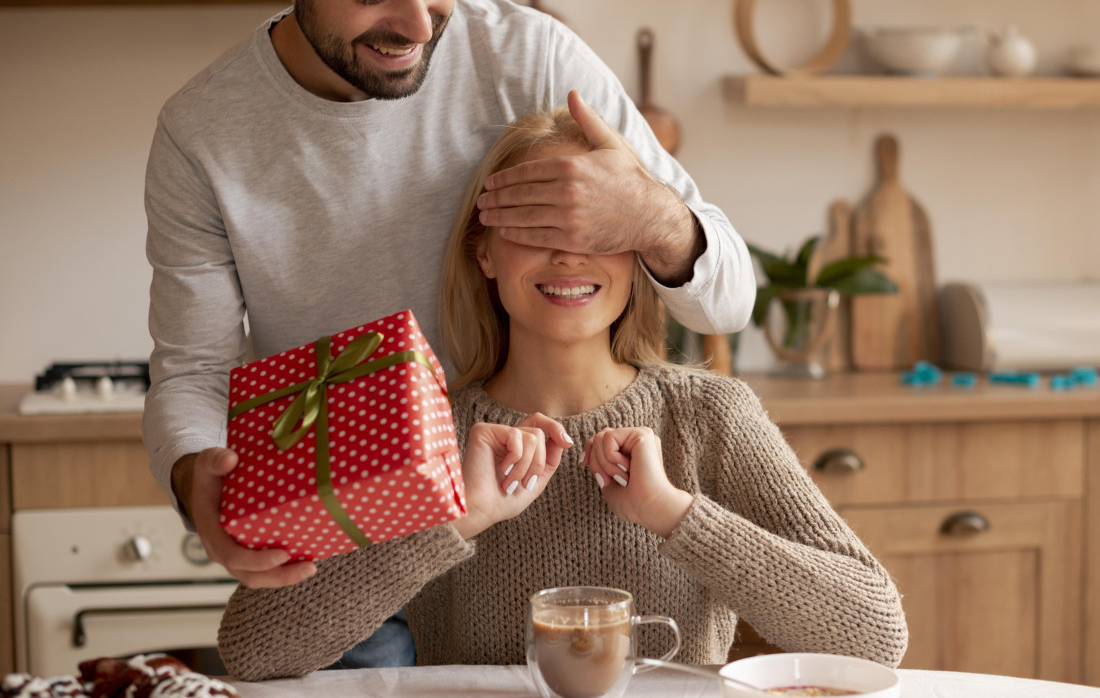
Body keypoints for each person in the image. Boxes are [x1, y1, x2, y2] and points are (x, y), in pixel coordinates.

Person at [142, 0, 755, 669]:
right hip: (357, 554)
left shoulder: (533, 58)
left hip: (538, 512)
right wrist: (196, 478)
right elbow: (194, 373)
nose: (419, 23)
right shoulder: (200, 134)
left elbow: (727, 294)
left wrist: (649, 216)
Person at [216, 109, 908, 681]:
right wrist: (457, 518)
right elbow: (252, 650)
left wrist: (674, 514)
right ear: (484, 253)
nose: (569, 256)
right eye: (535, 229)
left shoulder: (709, 417)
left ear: (636, 255)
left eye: (598, 232)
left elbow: (876, 633)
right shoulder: (426, 429)